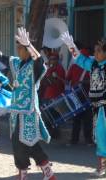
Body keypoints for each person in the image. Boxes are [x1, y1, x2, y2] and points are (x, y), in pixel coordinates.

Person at [0, 23, 56, 180]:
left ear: (28, 50)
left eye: (22, 48)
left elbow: (39, 61)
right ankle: (37, 172)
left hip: (28, 112)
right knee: (18, 143)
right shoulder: (15, 63)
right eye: (18, 47)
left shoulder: (35, 66)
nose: (19, 50)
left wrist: (29, 45)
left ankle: (43, 171)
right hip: (15, 112)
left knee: (27, 142)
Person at [61, 32, 106, 177]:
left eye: (98, 51)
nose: (95, 53)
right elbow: (80, 59)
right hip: (97, 108)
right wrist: (71, 46)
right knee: (100, 136)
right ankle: (102, 166)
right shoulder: (93, 65)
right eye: (95, 51)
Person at [66, 49, 93, 146]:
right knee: (87, 119)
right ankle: (88, 140)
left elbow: (67, 79)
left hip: (76, 95)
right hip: (87, 96)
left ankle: (74, 140)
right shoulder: (91, 67)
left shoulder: (73, 66)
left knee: (76, 118)